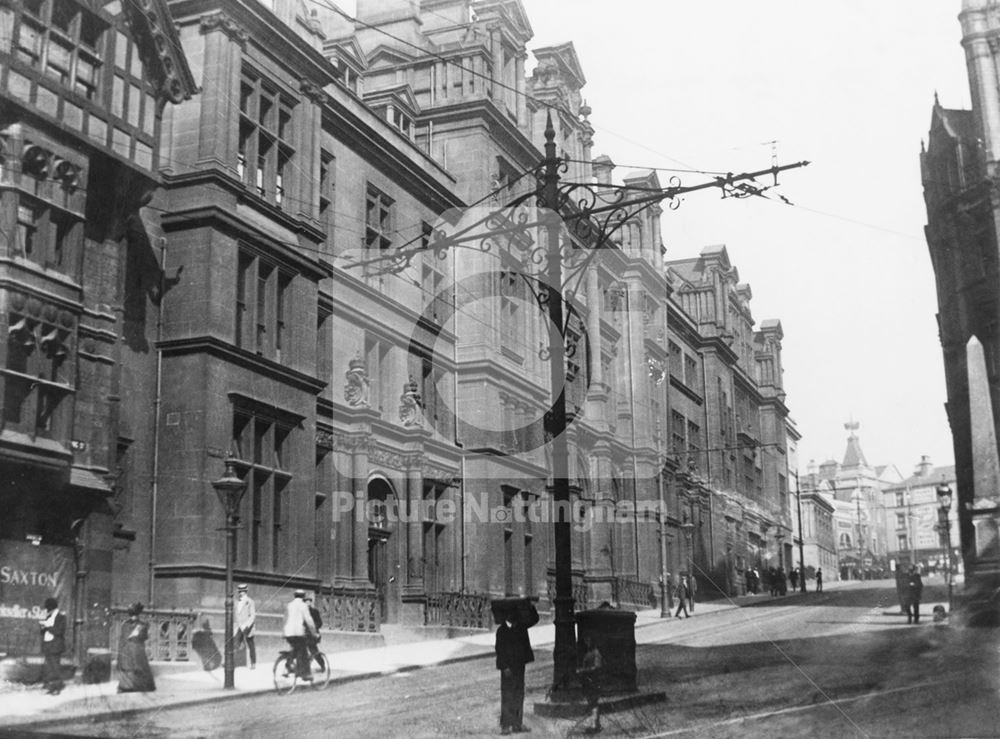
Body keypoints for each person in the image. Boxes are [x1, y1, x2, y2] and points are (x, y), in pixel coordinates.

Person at [495, 600, 539, 735]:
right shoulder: (501, 631)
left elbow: (534, 619)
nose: (514, 616)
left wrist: (530, 606)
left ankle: (517, 724)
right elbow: (499, 650)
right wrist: (504, 667)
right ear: (507, 615)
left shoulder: (520, 627)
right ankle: (506, 725)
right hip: (507, 668)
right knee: (507, 694)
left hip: (519, 666)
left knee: (519, 694)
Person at [117, 602, 156, 692]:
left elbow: (122, 640)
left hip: (127, 650)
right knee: (138, 665)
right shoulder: (142, 625)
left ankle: (126, 686)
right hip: (136, 649)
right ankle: (137, 686)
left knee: (128, 666)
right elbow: (144, 637)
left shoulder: (125, 624)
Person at [283, 589, 317, 680]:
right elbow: (309, 621)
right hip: (298, 632)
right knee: (304, 652)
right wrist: (314, 633)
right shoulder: (303, 606)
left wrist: (284, 632)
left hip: (288, 632)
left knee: (295, 649)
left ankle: (288, 666)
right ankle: (306, 674)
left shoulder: (289, 605)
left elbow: (285, 619)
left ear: (294, 596)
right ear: (303, 597)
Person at [38, 597, 66, 695]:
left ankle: (57, 688)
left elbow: (59, 631)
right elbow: (43, 631)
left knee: (55, 667)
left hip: (56, 645)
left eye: (48, 608)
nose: (47, 610)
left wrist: (47, 627)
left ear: (52, 608)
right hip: (48, 644)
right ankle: (51, 686)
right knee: (49, 667)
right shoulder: (48, 617)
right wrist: (42, 627)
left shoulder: (61, 617)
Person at [577, 636, 604, 733]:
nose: (587, 642)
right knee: (592, 702)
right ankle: (596, 724)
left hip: (594, 681)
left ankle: (595, 725)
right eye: (586, 640)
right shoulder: (590, 653)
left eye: (588, 640)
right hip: (589, 681)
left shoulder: (595, 653)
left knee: (593, 703)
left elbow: (597, 667)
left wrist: (583, 671)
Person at [234, 584, 256, 670]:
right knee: (235, 643)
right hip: (239, 626)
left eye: (242, 591)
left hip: (247, 627)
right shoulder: (236, 602)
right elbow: (236, 615)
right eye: (239, 591)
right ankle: (233, 663)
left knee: (251, 645)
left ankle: (253, 663)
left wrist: (246, 625)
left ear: (246, 591)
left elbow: (252, 615)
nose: (241, 593)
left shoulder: (250, 601)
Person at [304, 594, 324, 669]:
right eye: (306, 601)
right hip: (304, 634)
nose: (308, 603)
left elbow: (320, 622)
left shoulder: (315, 611)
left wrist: (314, 627)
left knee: (314, 651)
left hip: (313, 635)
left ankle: (322, 664)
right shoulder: (302, 612)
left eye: (309, 601)